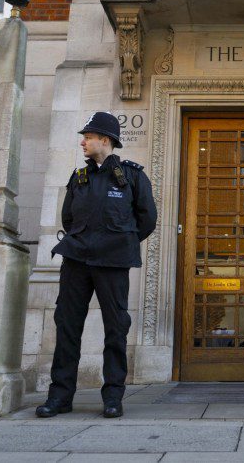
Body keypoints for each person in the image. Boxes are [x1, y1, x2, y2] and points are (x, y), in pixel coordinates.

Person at [36, 111, 157, 419]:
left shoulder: (131, 176)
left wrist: (119, 241)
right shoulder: (79, 178)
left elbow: (147, 220)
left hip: (113, 261)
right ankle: (60, 397)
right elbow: (68, 218)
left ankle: (113, 397)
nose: (83, 142)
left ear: (105, 141)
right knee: (67, 327)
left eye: (88, 137)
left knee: (115, 329)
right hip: (77, 260)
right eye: (84, 137)